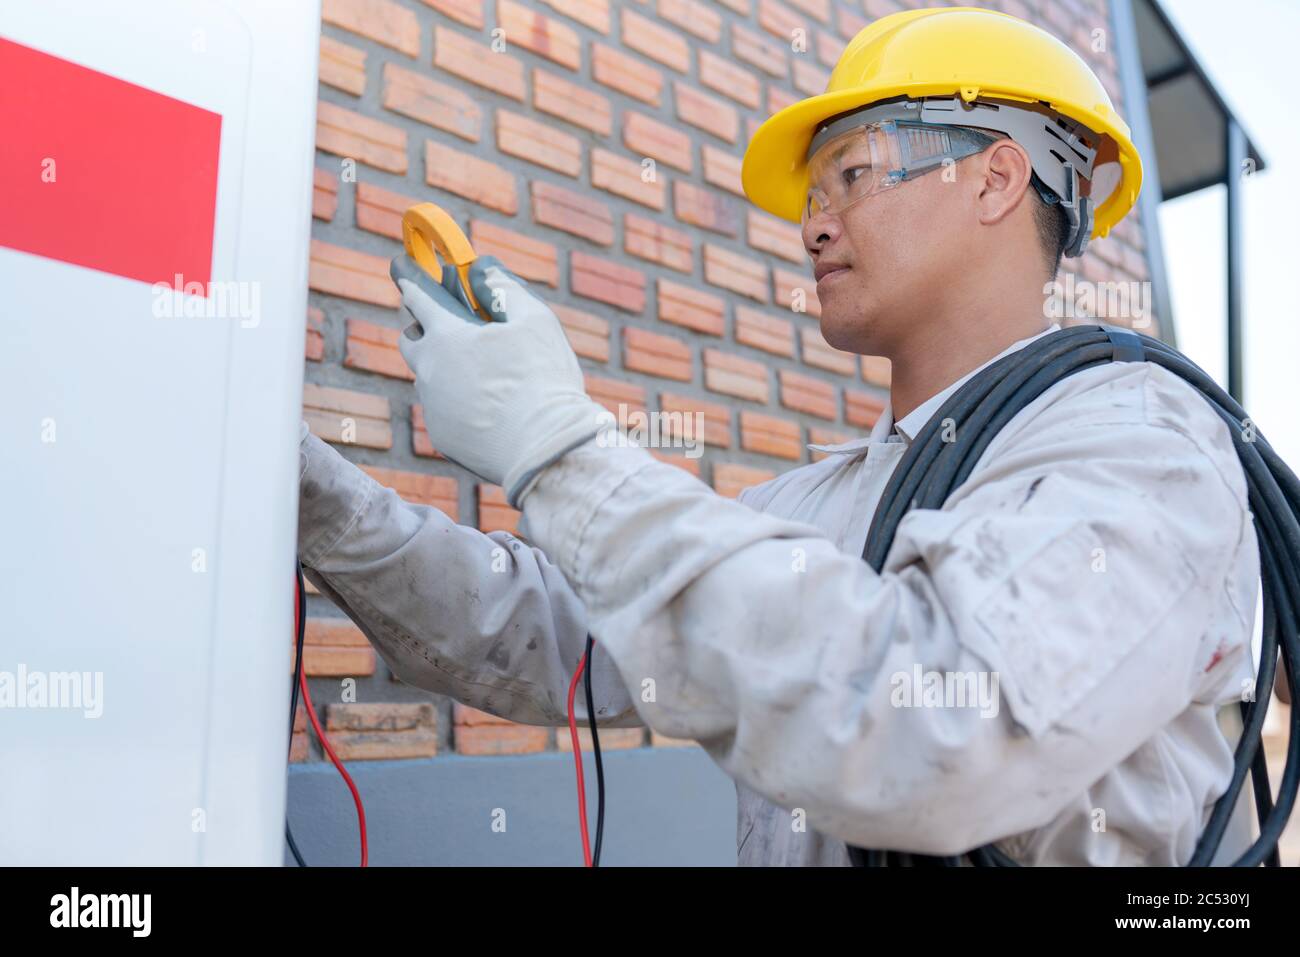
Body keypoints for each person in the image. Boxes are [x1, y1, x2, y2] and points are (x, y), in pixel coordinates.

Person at [298, 8, 1258, 865]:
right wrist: (308, 494)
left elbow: (940, 717)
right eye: (812, 197)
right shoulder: (818, 505)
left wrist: (558, 444)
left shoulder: (1145, 450)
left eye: (850, 175)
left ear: (996, 176)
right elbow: (550, 631)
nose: (814, 228)